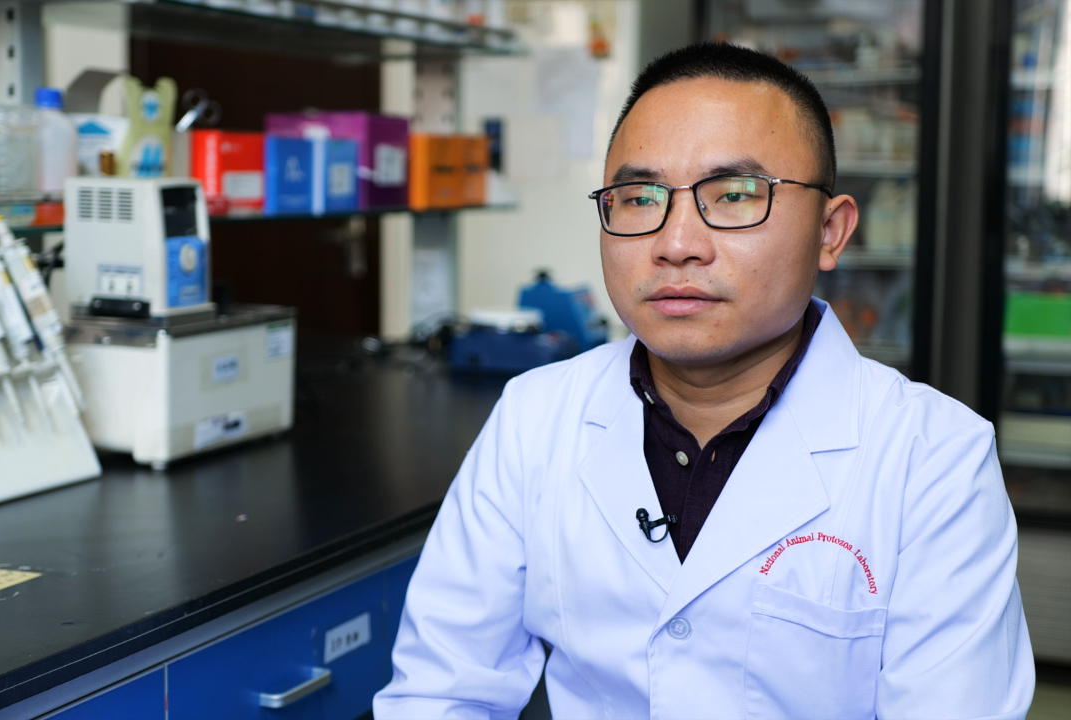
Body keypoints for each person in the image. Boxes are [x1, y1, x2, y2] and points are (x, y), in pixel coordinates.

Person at [373, 43, 1035, 718]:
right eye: (639, 198)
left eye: (736, 195)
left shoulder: (933, 458)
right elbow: (440, 691)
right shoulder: (535, 417)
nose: (677, 244)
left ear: (830, 232)